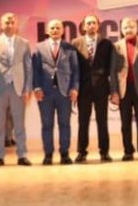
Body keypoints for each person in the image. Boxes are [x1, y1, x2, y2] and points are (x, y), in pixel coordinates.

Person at [0, 12, 32, 167]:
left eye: (12, 23)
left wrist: (27, 89)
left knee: (19, 125)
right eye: (6, 23)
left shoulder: (24, 43)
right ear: (1, 25)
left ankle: (22, 155)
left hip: (18, 89)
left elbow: (28, 69)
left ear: (16, 25)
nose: (9, 25)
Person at [32, 19, 79, 165]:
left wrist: (75, 88)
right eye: (52, 28)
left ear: (63, 30)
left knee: (64, 124)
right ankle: (48, 154)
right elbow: (35, 70)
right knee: (47, 125)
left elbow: (75, 70)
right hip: (45, 93)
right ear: (47, 31)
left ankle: (65, 154)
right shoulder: (39, 48)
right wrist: (37, 88)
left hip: (65, 92)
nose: (55, 30)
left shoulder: (70, 48)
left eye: (58, 27)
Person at [110, 17, 138, 161]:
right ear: (121, 30)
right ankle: (128, 151)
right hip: (123, 90)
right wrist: (114, 92)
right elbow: (112, 71)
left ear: (137, 28)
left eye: (131, 27)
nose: (128, 30)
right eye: (125, 27)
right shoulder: (116, 46)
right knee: (125, 123)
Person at [71, 14, 113, 163]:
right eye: (88, 23)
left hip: (101, 88)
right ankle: (81, 152)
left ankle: (104, 152)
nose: (91, 26)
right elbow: (73, 67)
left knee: (102, 121)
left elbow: (111, 67)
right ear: (83, 26)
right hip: (83, 89)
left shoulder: (106, 43)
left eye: (94, 23)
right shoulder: (75, 43)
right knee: (83, 122)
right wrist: (74, 88)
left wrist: (112, 89)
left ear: (98, 25)